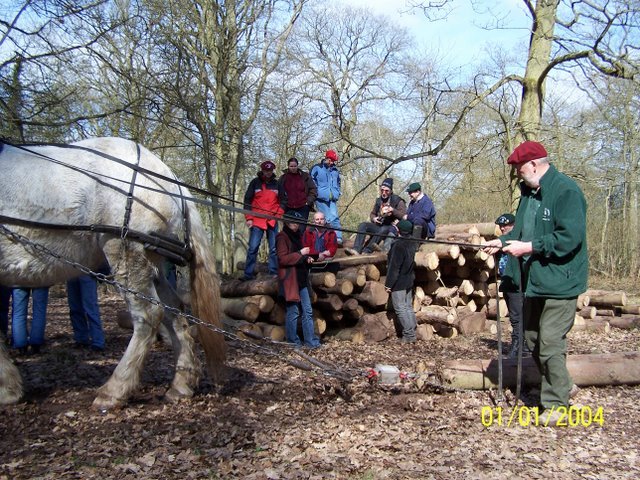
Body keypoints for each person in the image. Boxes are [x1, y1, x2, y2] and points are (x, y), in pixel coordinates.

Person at [483, 141, 588, 426]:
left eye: (519, 169)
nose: (518, 174)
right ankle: (563, 384)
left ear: (534, 165)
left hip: (560, 282)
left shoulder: (565, 191)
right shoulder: (529, 194)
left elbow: (569, 238)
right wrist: (502, 242)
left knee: (551, 341)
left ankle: (556, 403)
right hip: (534, 281)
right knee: (532, 339)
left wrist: (529, 247)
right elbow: (520, 231)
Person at [276, 210, 321, 348]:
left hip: (302, 279)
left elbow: (300, 255)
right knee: (293, 311)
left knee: (307, 311)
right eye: (293, 222)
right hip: (290, 280)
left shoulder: (298, 236)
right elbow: (283, 259)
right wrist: (300, 253)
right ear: (287, 222)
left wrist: (306, 258)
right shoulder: (281, 237)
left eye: (297, 222)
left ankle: (310, 341)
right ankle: (292, 342)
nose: (295, 225)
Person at [494, 213, 530, 358]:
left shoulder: (518, 242)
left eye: (506, 225)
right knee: (514, 316)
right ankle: (521, 344)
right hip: (507, 282)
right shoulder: (502, 242)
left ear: (513, 225)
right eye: (501, 226)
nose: (503, 228)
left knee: (517, 316)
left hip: (517, 284)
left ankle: (519, 344)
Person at [243, 160, 284, 281]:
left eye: (270, 171)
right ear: (262, 170)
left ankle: (273, 273)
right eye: (266, 171)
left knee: (273, 248)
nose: (268, 173)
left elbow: (283, 202)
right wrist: (249, 218)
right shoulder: (254, 183)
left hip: (272, 220)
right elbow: (247, 201)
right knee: (253, 247)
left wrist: (278, 215)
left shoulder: (277, 184)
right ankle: (248, 274)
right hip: (257, 220)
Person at [345, 178, 406, 255]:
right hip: (379, 225)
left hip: (391, 228)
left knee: (383, 229)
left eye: (386, 191)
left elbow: (404, 216)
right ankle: (356, 249)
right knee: (363, 225)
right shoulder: (379, 200)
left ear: (391, 191)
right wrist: (374, 218)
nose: (384, 193)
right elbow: (372, 213)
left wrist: (393, 210)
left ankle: (367, 250)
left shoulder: (398, 201)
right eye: (382, 190)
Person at [385, 220, 419, 343]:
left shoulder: (398, 245)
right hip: (409, 279)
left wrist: (389, 284)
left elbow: (394, 267)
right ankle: (412, 331)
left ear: (398, 230)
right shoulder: (412, 243)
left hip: (399, 282)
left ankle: (409, 335)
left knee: (400, 308)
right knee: (408, 307)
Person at [310, 149, 343, 245]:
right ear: (326, 158)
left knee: (335, 217)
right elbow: (311, 181)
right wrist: (316, 192)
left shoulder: (335, 170)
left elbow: (338, 182)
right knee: (327, 218)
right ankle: (327, 239)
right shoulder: (317, 168)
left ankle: (338, 238)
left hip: (332, 197)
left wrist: (337, 192)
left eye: (334, 161)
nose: (332, 162)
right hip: (320, 198)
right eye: (331, 160)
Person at [277, 157, 317, 233]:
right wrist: (281, 205)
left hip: (303, 207)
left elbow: (313, 189)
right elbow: (278, 192)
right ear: (288, 166)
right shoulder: (283, 178)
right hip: (288, 208)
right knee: (288, 231)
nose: (293, 168)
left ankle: (300, 244)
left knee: (301, 230)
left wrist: (308, 202)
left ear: (297, 166)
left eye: (295, 166)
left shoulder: (305, 176)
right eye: (291, 166)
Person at [67, 274, 106, 351]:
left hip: (87, 270)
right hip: (71, 271)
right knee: (75, 308)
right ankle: (81, 339)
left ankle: (98, 342)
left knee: (90, 308)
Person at [11, 287, 50, 355]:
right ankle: (36, 345)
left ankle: (21, 346)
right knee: (39, 311)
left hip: (18, 279)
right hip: (41, 280)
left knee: (19, 313)